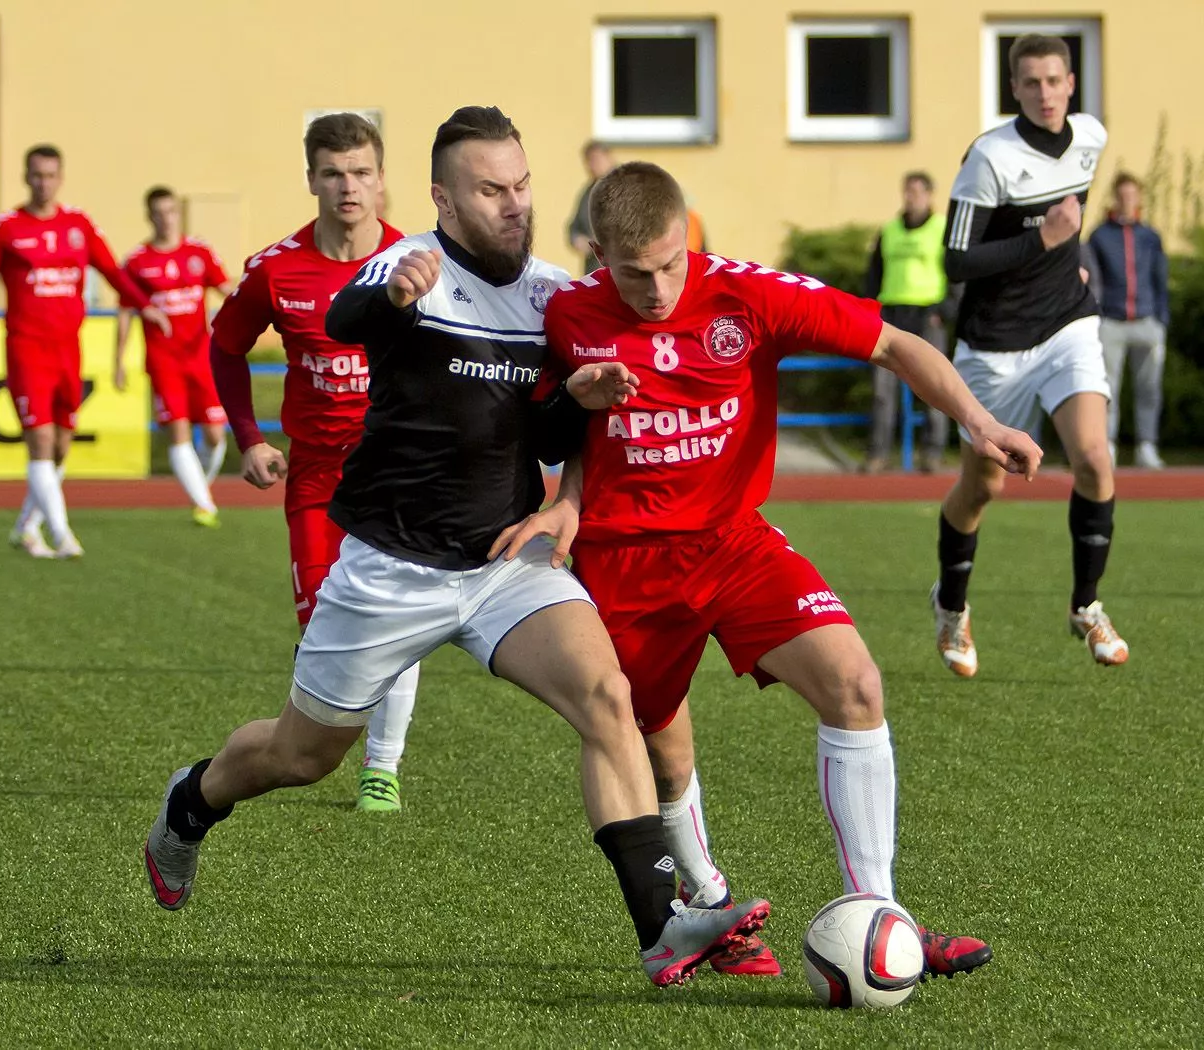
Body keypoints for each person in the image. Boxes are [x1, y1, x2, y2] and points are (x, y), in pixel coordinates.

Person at [144, 106, 768, 988]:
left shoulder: (553, 295)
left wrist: (578, 399)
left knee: (607, 698)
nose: (515, 205)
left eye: (521, 186)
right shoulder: (407, 268)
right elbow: (350, 316)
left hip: (506, 562)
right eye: (490, 191)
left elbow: (548, 433)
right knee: (300, 756)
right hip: (391, 569)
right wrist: (390, 298)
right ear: (443, 199)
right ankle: (189, 804)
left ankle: (660, 926)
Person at [498, 161, 1027, 978]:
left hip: (733, 542)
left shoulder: (747, 295)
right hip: (625, 564)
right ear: (598, 254)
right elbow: (555, 427)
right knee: (661, 754)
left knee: (855, 684)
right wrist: (567, 493)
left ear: (687, 236)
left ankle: (880, 916)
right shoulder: (566, 314)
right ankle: (709, 905)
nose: (656, 289)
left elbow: (893, 343)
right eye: (634, 273)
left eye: (670, 263)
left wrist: (977, 421)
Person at [207, 114, 418, 813]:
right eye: (333, 173)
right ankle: (320, 743)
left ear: (380, 179)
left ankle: (382, 766)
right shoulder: (276, 269)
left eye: (360, 172)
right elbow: (225, 347)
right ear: (311, 180)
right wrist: (249, 437)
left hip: (400, 475)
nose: (347, 187)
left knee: (397, 619)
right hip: (317, 480)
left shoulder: (420, 262)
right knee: (325, 629)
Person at [934, 33, 1127, 677]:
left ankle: (1086, 606)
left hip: (1066, 325)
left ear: (1072, 83)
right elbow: (955, 260)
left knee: (1094, 458)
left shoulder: (1091, 137)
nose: (1045, 93)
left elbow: (1073, 217)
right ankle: (951, 605)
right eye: (1032, 83)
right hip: (993, 347)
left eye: (1055, 81)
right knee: (982, 488)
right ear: (1014, 88)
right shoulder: (989, 157)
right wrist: (1043, 241)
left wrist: (1069, 262)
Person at [0, 144, 169, 559]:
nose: (44, 183)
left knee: (61, 445)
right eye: (37, 175)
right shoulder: (7, 228)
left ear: (61, 178)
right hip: (27, 348)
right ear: (25, 177)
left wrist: (146, 306)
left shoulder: (78, 225)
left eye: (50, 175)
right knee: (41, 439)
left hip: (69, 349)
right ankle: (62, 534)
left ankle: (26, 528)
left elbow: (111, 270)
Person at [115, 186, 235, 525]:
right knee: (178, 431)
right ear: (149, 216)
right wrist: (118, 360)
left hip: (201, 356)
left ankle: (200, 492)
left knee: (215, 434)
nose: (166, 219)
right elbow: (125, 311)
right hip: (163, 360)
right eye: (159, 213)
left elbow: (226, 289)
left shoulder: (198, 252)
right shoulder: (137, 262)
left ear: (178, 214)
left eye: (171, 212)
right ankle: (205, 506)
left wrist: (254, 307)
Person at [862, 171, 956, 474]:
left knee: (934, 385)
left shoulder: (942, 229)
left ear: (929, 195)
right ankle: (878, 454)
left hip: (928, 315)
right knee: (882, 390)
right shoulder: (889, 231)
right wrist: (870, 308)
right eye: (907, 191)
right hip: (891, 314)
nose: (911, 197)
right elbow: (874, 274)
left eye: (917, 191)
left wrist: (945, 310)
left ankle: (932, 454)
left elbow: (957, 273)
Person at [1087, 172, 1169, 470]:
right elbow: (1093, 280)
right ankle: (1107, 445)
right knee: (1108, 388)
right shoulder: (1099, 236)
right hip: (1112, 322)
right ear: (1115, 197)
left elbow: (1160, 278)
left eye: (1132, 195)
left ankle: (1147, 445)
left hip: (1147, 321)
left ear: (1139, 198)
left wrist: (1161, 319)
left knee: (1149, 388)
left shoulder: (1150, 236)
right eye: (1122, 195)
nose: (1127, 201)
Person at [567, 140, 614, 274]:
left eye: (595, 160)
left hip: (618, 269)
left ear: (608, 157)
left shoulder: (625, 186)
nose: (591, 166)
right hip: (593, 268)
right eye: (588, 161)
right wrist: (576, 239)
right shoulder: (588, 192)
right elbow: (574, 226)